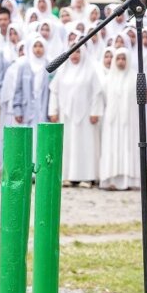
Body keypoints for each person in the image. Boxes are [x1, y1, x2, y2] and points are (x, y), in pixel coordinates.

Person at [48, 44, 103, 187]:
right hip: (66, 116)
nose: (74, 55)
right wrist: (53, 111)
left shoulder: (90, 71)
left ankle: (87, 177)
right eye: (72, 52)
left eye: (78, 52)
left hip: (86, 118)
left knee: (85, 145)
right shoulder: (62, 71)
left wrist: (95, 112)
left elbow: (97, 92)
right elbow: (54, 91)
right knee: (67, 145)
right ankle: (67, 176)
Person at [98, 48, 140, 191]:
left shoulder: (135, 77)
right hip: (112, 121)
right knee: (112, 147)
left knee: (127, 147)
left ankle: (128, 180)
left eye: (124, 59)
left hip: (129, 121)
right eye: (118, 59)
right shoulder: (108, 79)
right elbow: (103, 98)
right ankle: (111, 180)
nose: (121, 62)